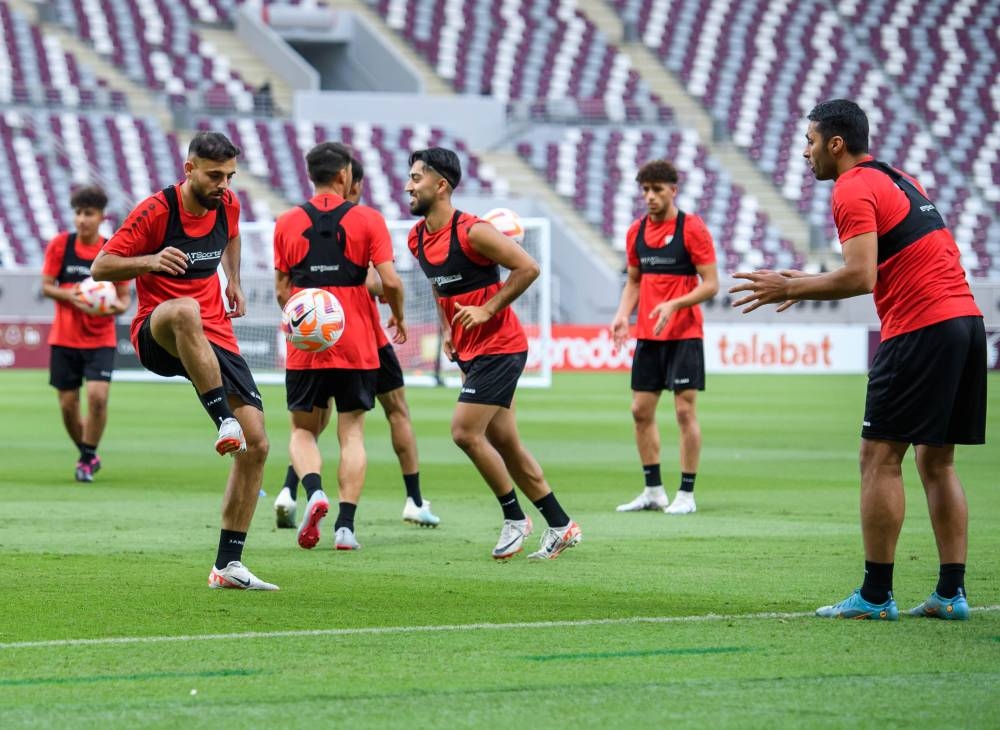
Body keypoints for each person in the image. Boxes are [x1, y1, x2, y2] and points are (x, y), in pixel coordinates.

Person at [730, 99, 986, 620]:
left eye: (809, 141)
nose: (806, 153)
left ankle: (874, 595)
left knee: (879, 457)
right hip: (966, 322)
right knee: (936, 460)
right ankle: (951, 593)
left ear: (835, 144)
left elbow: (860, 275)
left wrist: (792, 285)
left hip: (921, 326)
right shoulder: (899, 177)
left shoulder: (851, 187)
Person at [91, 131, 278, 591]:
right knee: (185, 308)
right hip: (159, 333)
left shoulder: (227, 204)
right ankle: (222, 420)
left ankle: (228, 565)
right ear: (189, 168)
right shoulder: (157, 211)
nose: (223, 184)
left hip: (216, 336)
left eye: (230, 175)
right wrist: (150, 261)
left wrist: (232, 279)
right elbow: (101, 266)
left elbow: (231, 236)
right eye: (215, 175)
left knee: (257, 446)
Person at [405, 147, 582, 559]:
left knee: (465, 432)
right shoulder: (417, 238)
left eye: (417, 178)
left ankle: (515, 518)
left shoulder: (474, 231)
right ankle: (561, 524)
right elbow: (439, 286)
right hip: (469, 351)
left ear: (441, 185)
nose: (409, 185)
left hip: (501, 347)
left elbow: (528, 268)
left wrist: (487, 309)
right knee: (506, 443)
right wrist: (447, 328)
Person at [273, 156, 440, 529]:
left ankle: (300, 490)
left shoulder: (286, 222)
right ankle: (354, 522)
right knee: (365, 424)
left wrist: (304, 323)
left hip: (308, 344)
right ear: (346, 177)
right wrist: (397, 314)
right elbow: (389, 282)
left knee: (305, 427)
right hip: (361, 340)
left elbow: (282, 291)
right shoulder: (366, 221)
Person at [610, 160, 719, 516]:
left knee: (684, 411)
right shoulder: (635, 232)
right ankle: (653, 490)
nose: (650, 196)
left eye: (657, 189)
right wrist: (622, 316)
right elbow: (635, 281)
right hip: (648, 335)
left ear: (674, 190)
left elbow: (712, 285)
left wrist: (675, 304)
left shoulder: (693, 229)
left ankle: (686, 494)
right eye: (645, 190)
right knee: (640, 411)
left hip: (685, 334)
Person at [41, 185, 131, 483]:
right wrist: (76, 295)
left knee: (97, 397)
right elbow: (47, 286)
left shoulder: (113, 251)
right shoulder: (60, 246)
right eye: (78, 213)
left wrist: (110, 308)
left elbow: (123, 300)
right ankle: (88, 454)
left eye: (88, 214)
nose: (82, 219)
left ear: (101, 217)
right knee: (68, 405)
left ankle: (87, 455)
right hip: (64, 338)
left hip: (99, 340)